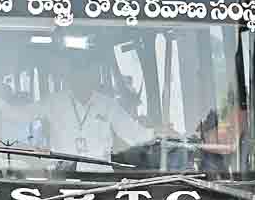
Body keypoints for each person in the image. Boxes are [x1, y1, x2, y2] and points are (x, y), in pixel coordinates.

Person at [34, 61, 163, 172]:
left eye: (87, 76)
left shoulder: (108, 105)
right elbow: (25, 116)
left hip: (100, 179)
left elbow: (134, 134)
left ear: (94, 79)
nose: (82, 81)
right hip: (62, 176)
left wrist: (157, 133)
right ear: (70, 79)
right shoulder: (54, 103)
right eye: (78, 76)